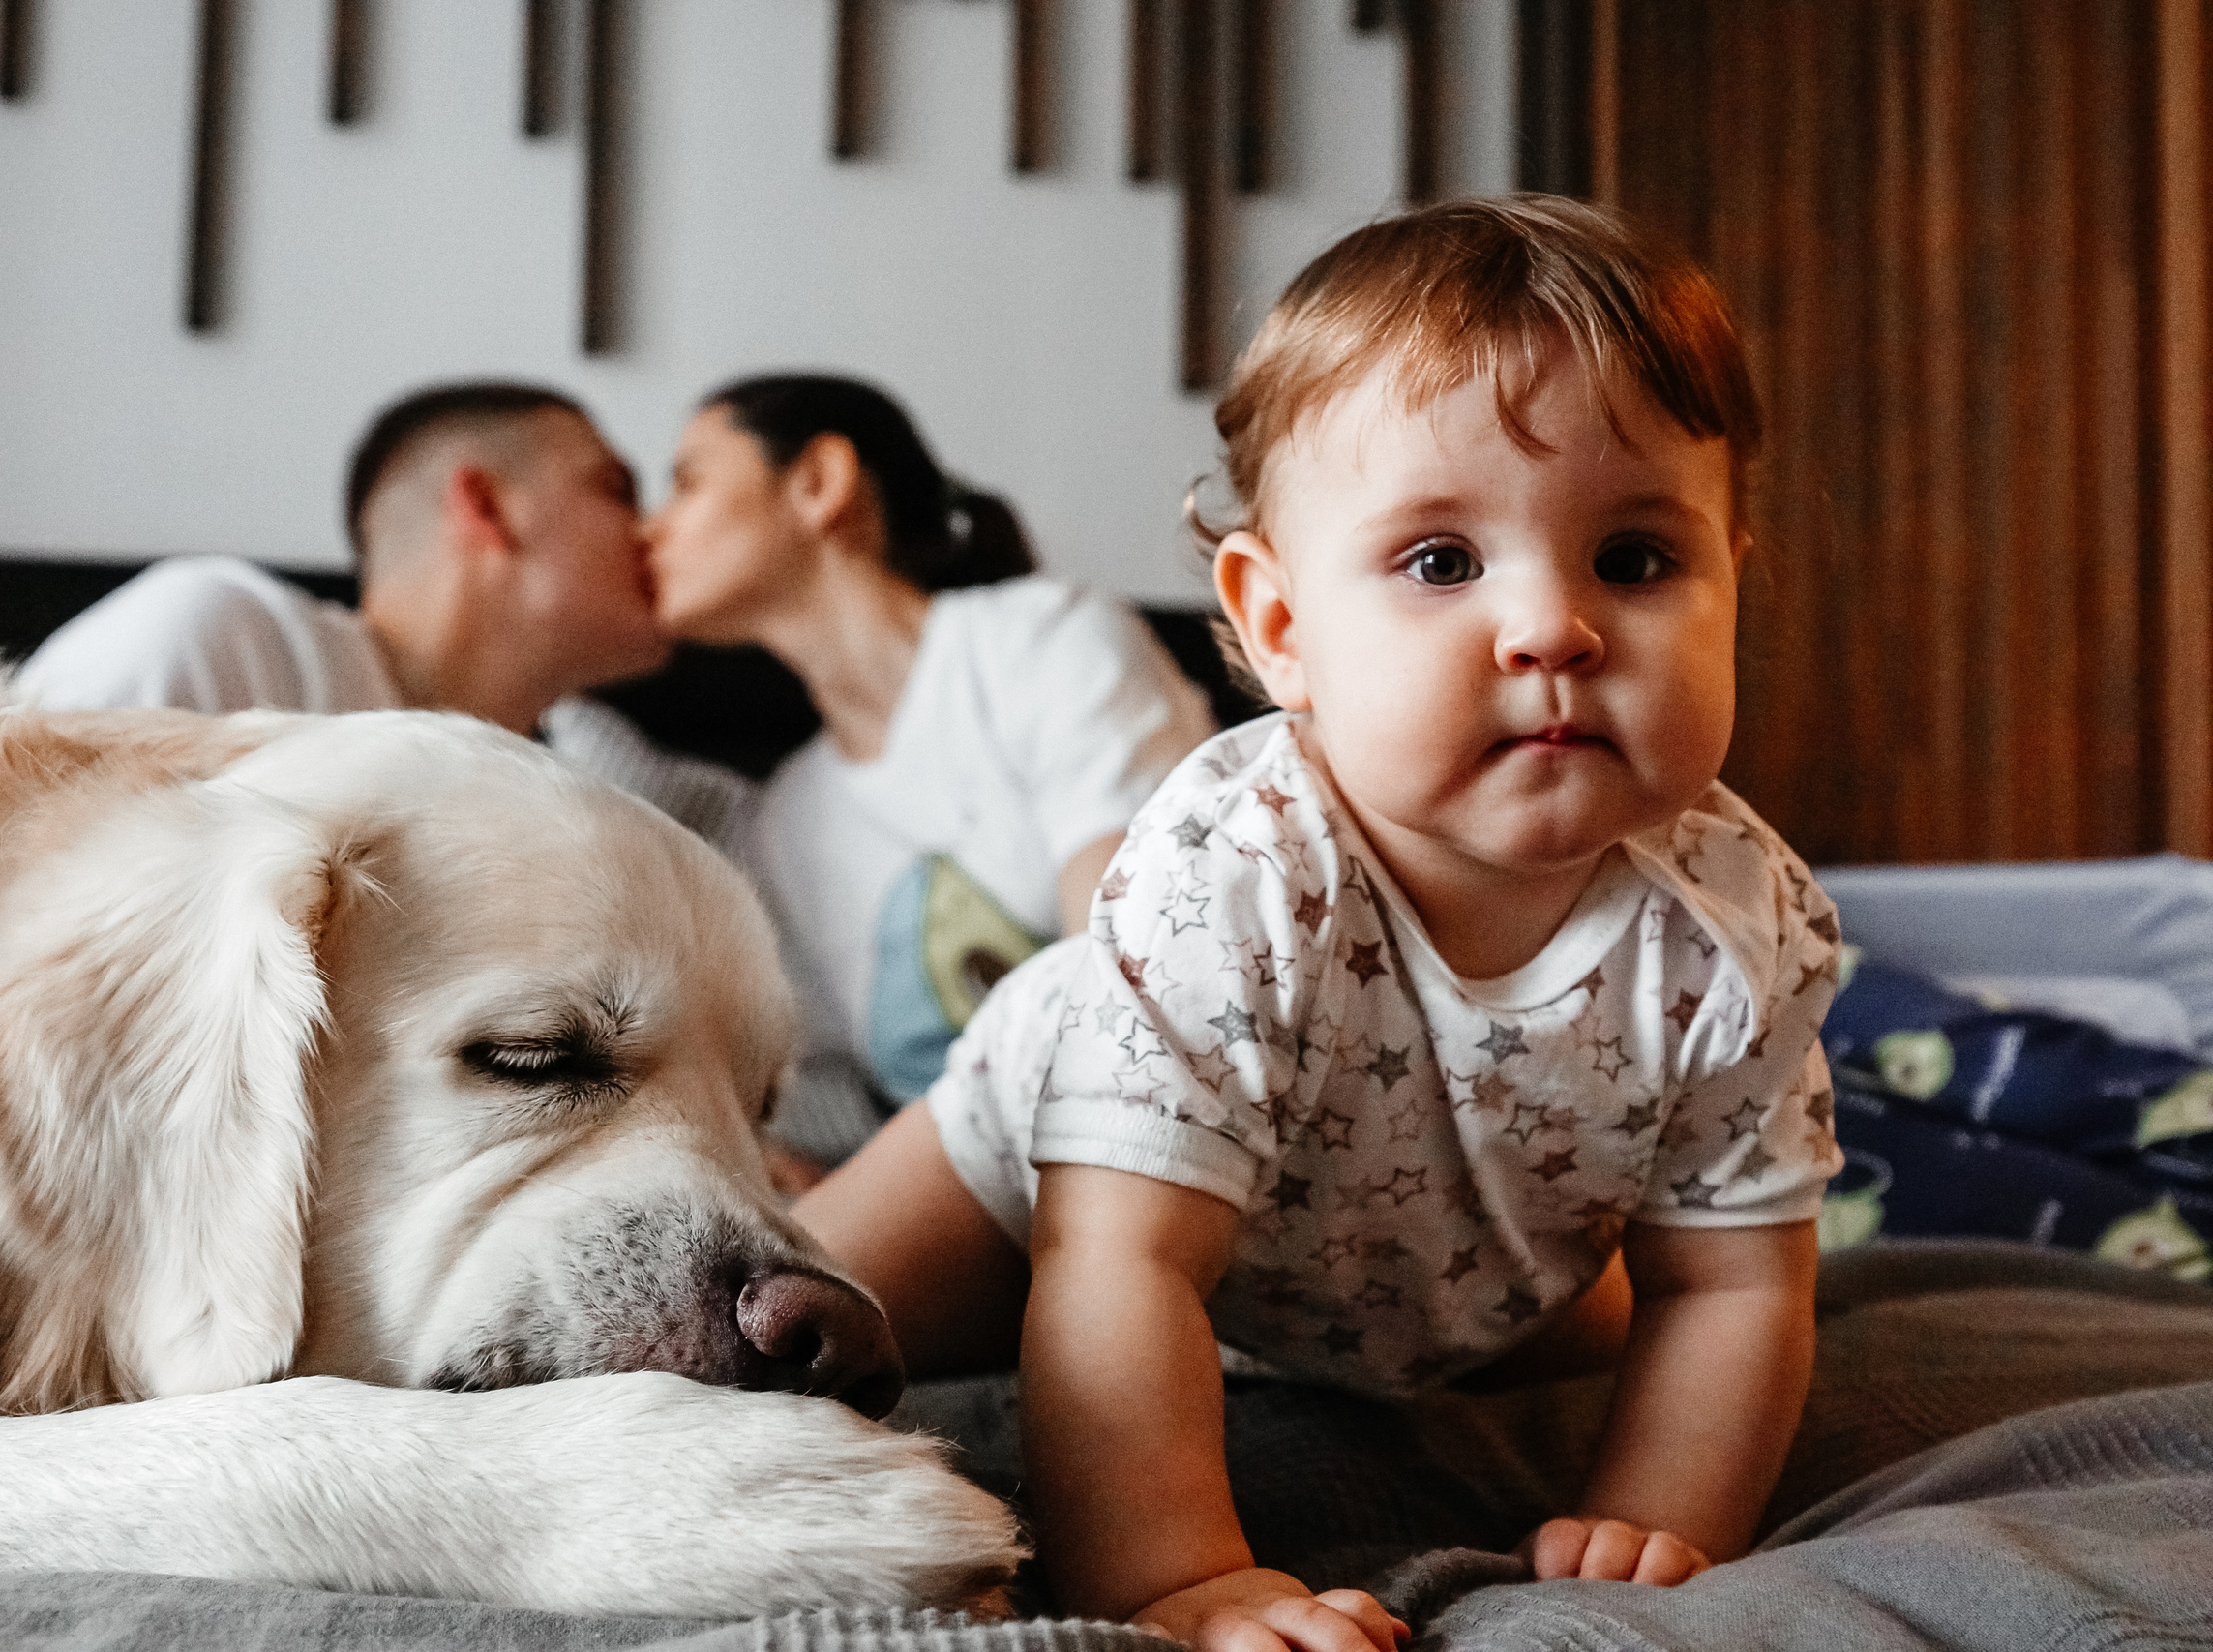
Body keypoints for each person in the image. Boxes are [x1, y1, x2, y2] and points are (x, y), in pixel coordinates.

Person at [792, 196, 1847, 1651]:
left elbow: (1729, 1284)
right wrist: (1175, 1581)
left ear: (1733, 576)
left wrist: (1656, 1520)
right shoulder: (1233, 872)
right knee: (794, 1334)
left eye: (1635, 559)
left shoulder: (1742, 927)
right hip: (1049, 1169)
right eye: (1442, 562)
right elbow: (1124, 1261)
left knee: (1646, 1317)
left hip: (1461, 1254)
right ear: (1281, 628)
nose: (1554, 626)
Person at [640, 375, 1216, 1167]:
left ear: (818, 482)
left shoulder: (1046, 642)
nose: (650, 529)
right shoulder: (786, 822)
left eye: (686, 482)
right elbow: (859, 1101)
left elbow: (1137, 984)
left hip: (1145, 1152)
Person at [20, 381, 749, 846]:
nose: (653, 531)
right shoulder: (221, 641)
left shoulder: (613, 799)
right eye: (615, 490)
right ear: (487, 508)